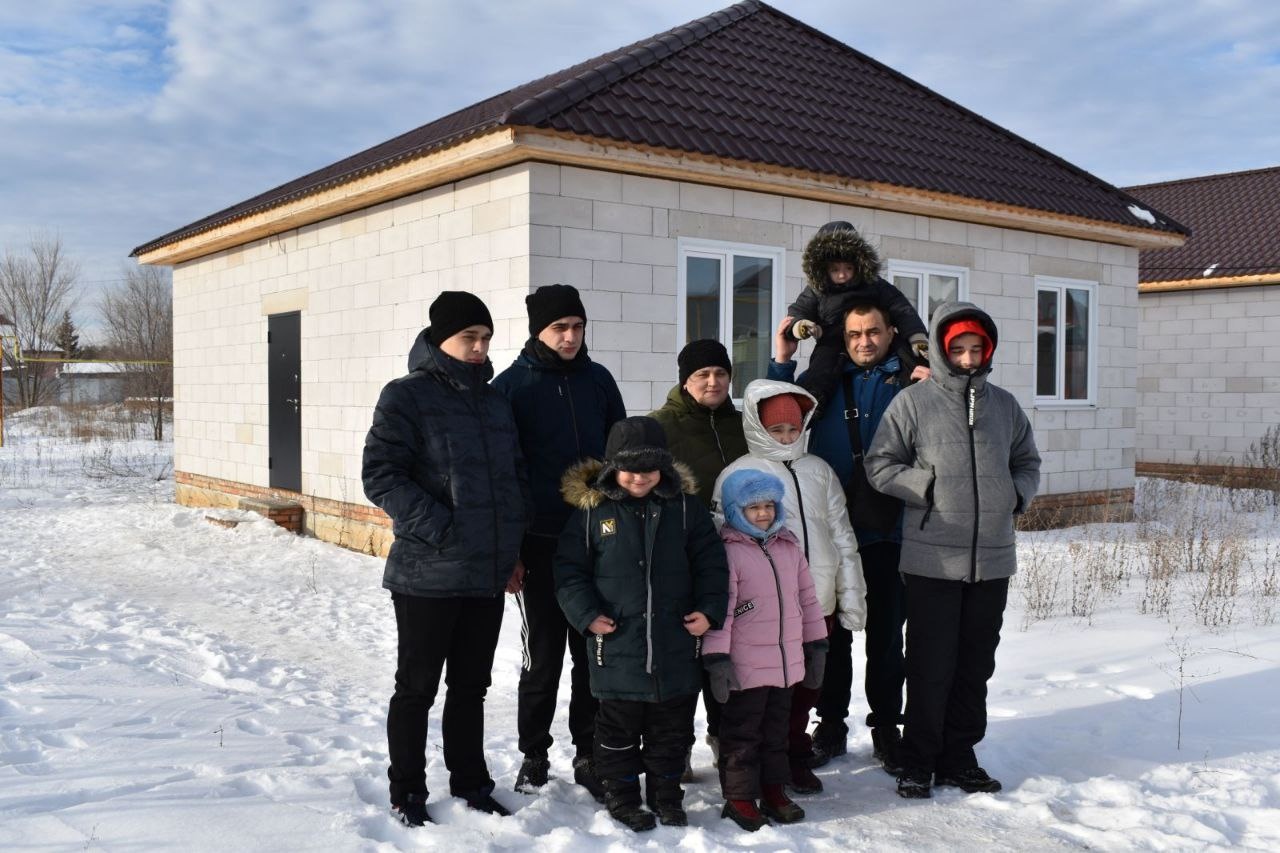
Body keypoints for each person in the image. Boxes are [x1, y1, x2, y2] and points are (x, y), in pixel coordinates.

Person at [362, 290, 530, 827]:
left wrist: (511, 551)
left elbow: (513, 481)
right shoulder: (405, 396)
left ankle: (471, 783)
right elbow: (381, 476)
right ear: (440, 339)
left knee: (471, 688)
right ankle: (407, 790)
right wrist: (443, 530)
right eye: (468, 338)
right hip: (427, 575)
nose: (479, 348)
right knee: (416, 690)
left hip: (486, 573)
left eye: (486, 338)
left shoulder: (495, 401)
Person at [865, 300, 1040, 799]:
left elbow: (1027, 461)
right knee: (929, 663)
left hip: (993, 557)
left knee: (975, 664)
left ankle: (959, 757)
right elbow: (880, 464)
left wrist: (1015, 495)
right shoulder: (913, 403)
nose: (967, 358)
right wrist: (927, 487)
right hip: (932, 557)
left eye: (975, 349)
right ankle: (918, 760)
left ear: (988, 351)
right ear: (942, 350)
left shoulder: (1004, 406)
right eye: (958, 349)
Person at [769, 301, 925, 775]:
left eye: (873, 331)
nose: (864, 341)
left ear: (891, 331)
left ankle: (887, 728)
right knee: (830, 638)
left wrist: (934, 385)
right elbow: (778, 414)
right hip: (833, 535)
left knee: (886, 639)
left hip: (890, 531)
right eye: (854, 334)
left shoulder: (912, 381)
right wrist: (783, 358)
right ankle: (831, 724)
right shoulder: (826, 379)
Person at [554, 417, 728, 831]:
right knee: (617, 731)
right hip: (617, 646)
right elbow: (569, 570)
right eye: (630, 469)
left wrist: (708, 610)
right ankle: (623, 795)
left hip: (676, 644)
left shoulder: (684, 509)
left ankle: (667, 795)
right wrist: (586, 615)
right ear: (613, 467)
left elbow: (711, 565)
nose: (640, 477)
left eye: (650, 468)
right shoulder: (594, 513)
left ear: (664, 467)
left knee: (671, 731)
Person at [493, 284, 625, 800]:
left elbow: (620, 454)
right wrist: (512, 549)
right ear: (538, 331)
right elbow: (504, 474)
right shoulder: (512, 387)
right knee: (543, 656)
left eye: (577, 326)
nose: (570, 337)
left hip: (597, 541)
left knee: (592, 651)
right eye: (559, 328)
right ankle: (534, 753)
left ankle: (589, 751)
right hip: (540, 543)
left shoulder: (599, 380)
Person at [710, 379, 865, 795]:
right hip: (760, 610)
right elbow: (721, 547)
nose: (785, 437)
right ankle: (752, 764)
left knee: (806, 688)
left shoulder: (820, 471)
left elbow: (842, 536)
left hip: (816, 604)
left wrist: (851, 595)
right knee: (763, 693)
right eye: (776, 429)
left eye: (792, 429)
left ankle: (794, 755)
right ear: (758, 427)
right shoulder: (738, 473)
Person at [703, 468, 828, 832]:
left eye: (769, 505)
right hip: (745, 667)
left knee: (777, 733)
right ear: (734, 509)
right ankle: (740, 796)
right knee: (742, 735)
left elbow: (808, 599)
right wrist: (717, 659)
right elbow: (723, 610)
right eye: (753, 507)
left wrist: (816, 644)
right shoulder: (729, 552)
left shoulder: (789, 546)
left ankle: (774, 789)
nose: (763, 513)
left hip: (785, 665)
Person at [647, 338, 748, 773]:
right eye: (702, 374)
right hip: (681, 559)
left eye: (720, 373)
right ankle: (678, 745)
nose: (713, 382)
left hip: (737, 557)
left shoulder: (743, 425)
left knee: (728, 656)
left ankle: (724, 736)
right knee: (684, 657)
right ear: (684, 380)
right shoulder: (661, 426)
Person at [786, 221, 928, 407]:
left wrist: (916, 335)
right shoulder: (817, 290)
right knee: (821, 366)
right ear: (823, 269)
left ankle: (923, 387)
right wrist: (799, 326)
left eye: (848, 268)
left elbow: (900, 308)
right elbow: (799, 310)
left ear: (858, 265)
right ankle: (814, 402)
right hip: (832, 337)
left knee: (907, 352)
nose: (842, 275)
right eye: (835, 269)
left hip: (873, 332)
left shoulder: (873, 284)